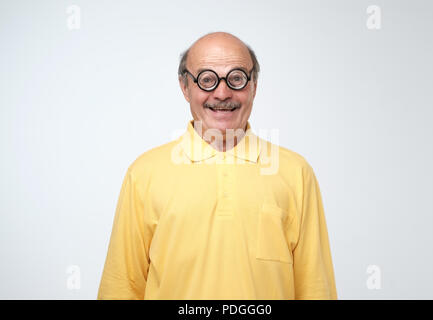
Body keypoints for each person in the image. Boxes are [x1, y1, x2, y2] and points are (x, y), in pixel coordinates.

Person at [97, 31, 338, 300]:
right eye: (207, 79)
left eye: (236, 78)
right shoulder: (143, 174)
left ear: (254, 86)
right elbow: (121, 287)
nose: (222, 93)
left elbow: (315, 287)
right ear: (185, 87)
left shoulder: (296, 173)